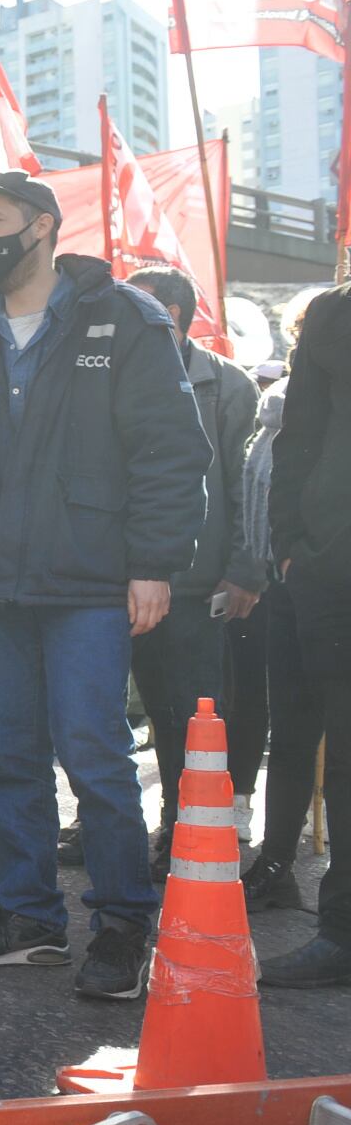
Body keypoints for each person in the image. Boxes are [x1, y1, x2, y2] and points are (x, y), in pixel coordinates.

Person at [0, 170, 210, 999]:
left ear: (42, 226)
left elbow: (170, 450)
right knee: (8, 756)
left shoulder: (125, 317)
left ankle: (121, 923)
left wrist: (154, 561)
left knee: (93, 752)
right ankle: (30, 918)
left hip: (89, 583)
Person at [113, 266, 262, 871]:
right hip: (109, 580)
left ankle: (188, 831)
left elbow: (250, 487)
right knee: (109, 716)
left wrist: (245, 569)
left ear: (173, 315)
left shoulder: (226, 385)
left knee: (191, 719)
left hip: (195, 587)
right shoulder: (105, 375)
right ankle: (108, 828)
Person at [258, 282, 351, 987]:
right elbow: (301, 440)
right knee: (345, 761)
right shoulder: (334, 315)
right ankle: (343, 935)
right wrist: (295, 545)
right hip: (336, 574)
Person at [239, 377, 322, 910]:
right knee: (293, 733)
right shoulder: (288, 411)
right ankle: (275, 865)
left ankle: (276, 866)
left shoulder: (280, 414)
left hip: (293, 582)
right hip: (293, 588)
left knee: (297, 736)